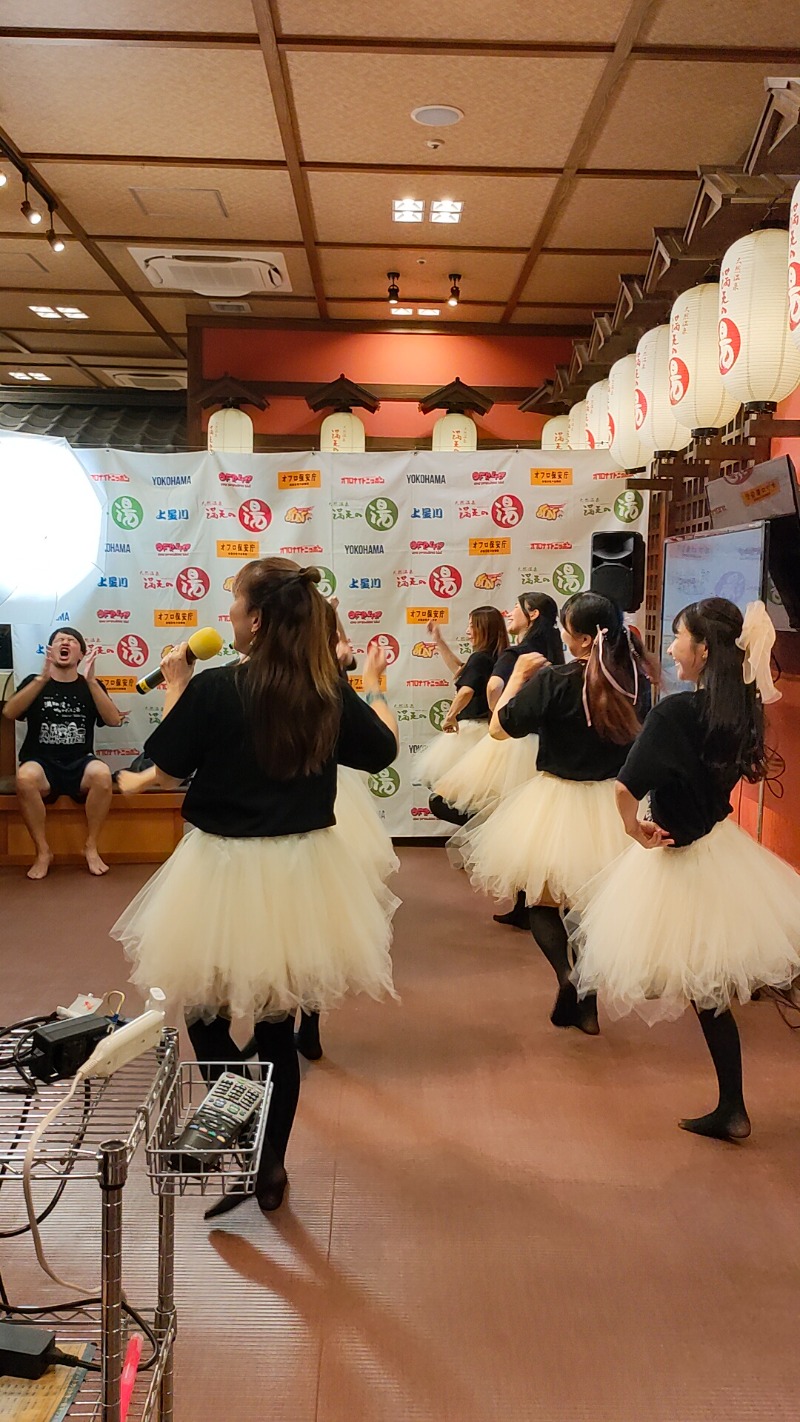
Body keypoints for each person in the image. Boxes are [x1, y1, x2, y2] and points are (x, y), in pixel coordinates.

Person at [110, 558, 400, 1218]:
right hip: (302, 872)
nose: (230, 618)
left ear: (257, 620)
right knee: (276, 1027)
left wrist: (176, 683)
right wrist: (375, 689)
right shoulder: (322, 690)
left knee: (205, 1012)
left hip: (221, 869)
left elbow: (166, 761)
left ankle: (236, 1105)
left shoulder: (216, 688)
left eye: (235, 606)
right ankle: (269, 1168)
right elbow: (379, 753)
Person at [573, 598, 800, 1140]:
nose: (670, 648)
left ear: (702, 649)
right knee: (708, 987)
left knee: (689, 980)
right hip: (719, 850)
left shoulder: (674, 714)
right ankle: (732, 1106)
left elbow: (625, 788)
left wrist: (634, 830)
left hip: (677, 857)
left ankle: (733, 1108)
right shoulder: (741, 712)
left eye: (677, 638)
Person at [456, 592, 654, 1035]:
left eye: (566, 629)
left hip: (556, 804)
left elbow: (498, 728)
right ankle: (588, 1002)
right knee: (591, 909)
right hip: (611, 806)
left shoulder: (555, 680)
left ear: (583, 639)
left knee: (543, 904)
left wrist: (518, 676)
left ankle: (568, 978)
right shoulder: (636, 682)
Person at [434, 595, 564, 901]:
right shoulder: (552, 653)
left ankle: (488, 840)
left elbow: (492, 687)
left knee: (496, 813)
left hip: (512, 742)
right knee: (527, 822)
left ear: (531, 614)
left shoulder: (516, 654)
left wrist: (499, 714)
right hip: (540, 744)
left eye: (516, 608)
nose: (510, 612)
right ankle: (526, 900)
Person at [2, 627, 123, 880]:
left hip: (80, 763)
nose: (64, 643)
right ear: (50, 651)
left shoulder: (92, 685)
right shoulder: (34, 681)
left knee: (102, 774)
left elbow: (113, 720)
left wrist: (90, 682)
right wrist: (41, 679)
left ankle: (90, 846)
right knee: (25, 777)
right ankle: (43, 851)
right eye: (59, 641)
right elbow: (10, 713)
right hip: (41, 763)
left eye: (71, 641)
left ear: (81, 654)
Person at [416, 607, 508, 823]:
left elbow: (466, 690)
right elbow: (459, 670)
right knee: (476, 795)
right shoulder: (497, 657)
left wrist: (450, 716)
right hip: (486, 731)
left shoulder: (480, 658)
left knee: (450, 796)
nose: (467, 630)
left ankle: (484, 830)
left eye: (471, 625)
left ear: (482, 629)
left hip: (473, 731)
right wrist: (439, 641)